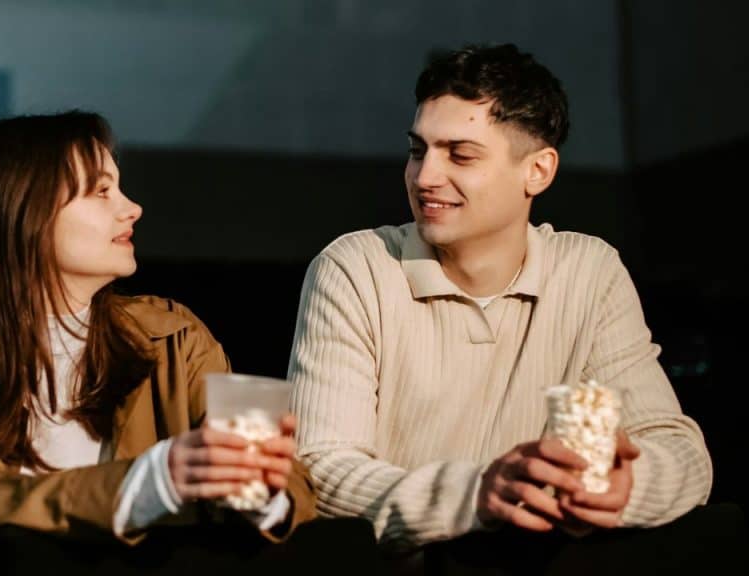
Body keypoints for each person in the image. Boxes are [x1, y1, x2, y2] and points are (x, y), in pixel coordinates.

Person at [287, 44, 713, 554]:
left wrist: (627, 487)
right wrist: (477, 495)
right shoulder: (355, 269)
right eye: (418, 149)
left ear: (538, 171)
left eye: (460, 154)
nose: (424, 177)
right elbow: (318, 469)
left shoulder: (588, 273)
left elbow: (681, 454)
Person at [0, 111, 317, 557]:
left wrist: (259, 486)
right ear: (24, 213)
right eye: (101, 190)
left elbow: (295, 489)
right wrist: (155, 479)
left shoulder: (173, 336)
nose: (132, 207)